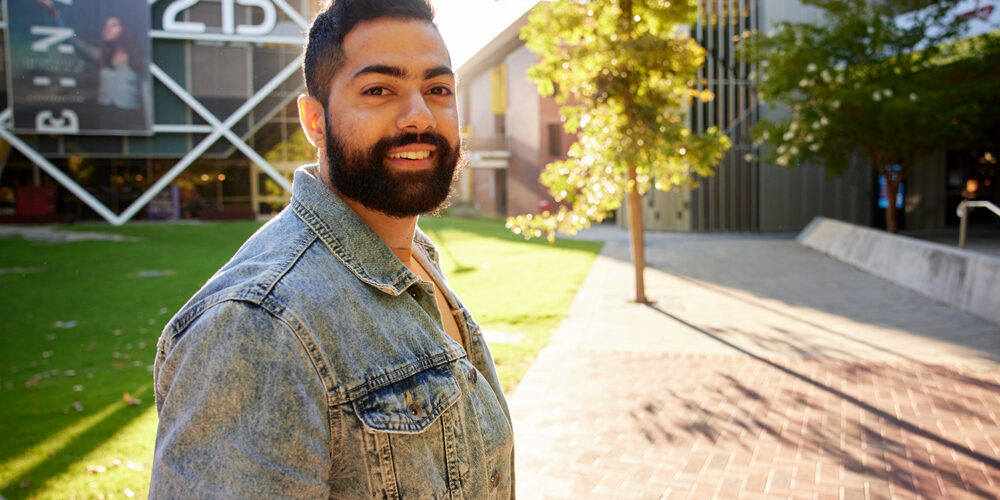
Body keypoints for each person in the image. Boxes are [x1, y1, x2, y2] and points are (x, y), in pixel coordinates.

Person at [149, 0, 515, 498]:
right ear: (314, 121)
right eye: (379, 89)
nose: (419, 116)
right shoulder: (258, 326)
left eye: (438, 89)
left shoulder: (415, 260)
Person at [34, 0, 149, 131]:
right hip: (106, 112)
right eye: (106, 26)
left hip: (131, 115)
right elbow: (72, 41)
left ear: (125, 29)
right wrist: (53, 12)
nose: (108, 29)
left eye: (114, 25)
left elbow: (147, 95)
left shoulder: (139, 60)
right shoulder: (102, 57)